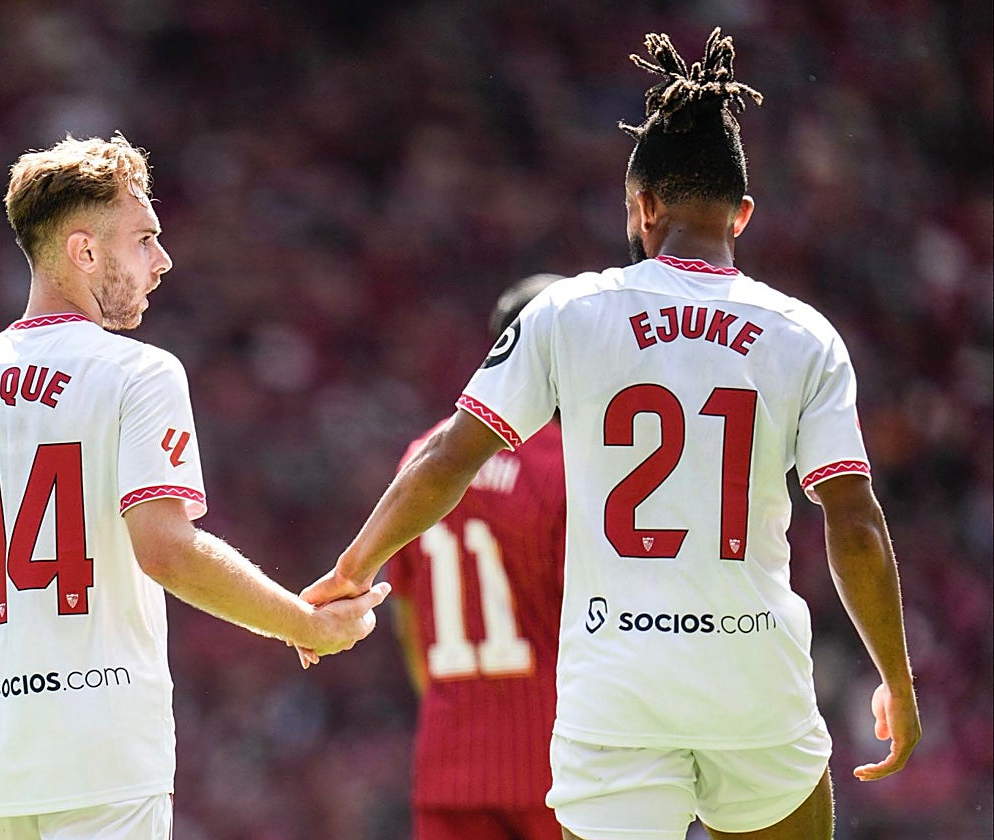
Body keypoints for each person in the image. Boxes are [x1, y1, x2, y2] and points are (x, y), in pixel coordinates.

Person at [302, 29, 920, 840]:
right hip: (752, 675)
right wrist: (897, 681)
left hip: (615, 689)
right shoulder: (805, 335)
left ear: (641, 204)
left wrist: (353, 567)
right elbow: (856, 523)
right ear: (742, 214)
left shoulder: (569, 311)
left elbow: (454, 454)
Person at [0, 133, 390, 840]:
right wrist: (302, 623)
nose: (163, 261)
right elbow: (167, 551)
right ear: (85, 251)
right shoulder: (139, 373)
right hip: (105, 746)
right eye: (145, 239)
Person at [386, 274, 566, 840]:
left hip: (450, 761)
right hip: (559, 763)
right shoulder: (570, 466)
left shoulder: (422, 457)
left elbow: (408, 615)